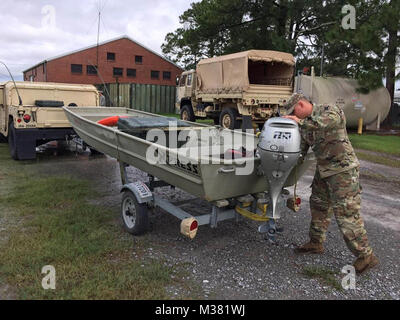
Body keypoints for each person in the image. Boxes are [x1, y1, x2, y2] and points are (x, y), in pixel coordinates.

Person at [282, 93, 379, 275]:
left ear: (301, 105)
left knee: (346, 213)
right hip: (324, 170)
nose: (293, 115)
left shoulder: (329, 111)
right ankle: (316, 243)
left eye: (293, 111)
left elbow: (324, 124)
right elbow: (301, 150)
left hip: (343, 171)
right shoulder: (305, 126)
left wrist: (297, 121)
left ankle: (366, 256)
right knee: (318, 204)